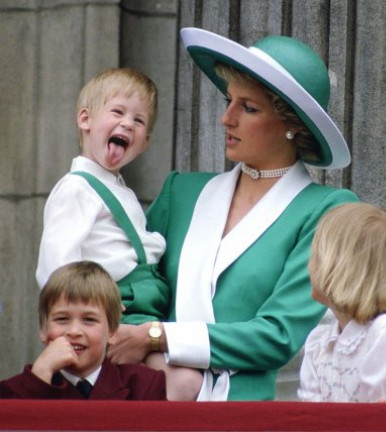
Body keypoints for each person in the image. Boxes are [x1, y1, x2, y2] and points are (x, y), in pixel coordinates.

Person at [107, 27, 359, 401]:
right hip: (150, 398)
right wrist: (151, 355)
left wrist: (158, 338)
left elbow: (278, 335)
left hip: (244, 413)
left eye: (248, 107)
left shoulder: (326, 210)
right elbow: (135, 291)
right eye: (229, 100)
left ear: (292, 124)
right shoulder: (182, 191)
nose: (226, 118)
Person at [34, 67, 202, 401]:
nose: (128, 123)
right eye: (118, 112)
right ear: (86, 119)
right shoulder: (76, 188)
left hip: (145, 313)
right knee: (183, 383)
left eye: (139, 121)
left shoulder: (119, 189)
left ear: (146, 142)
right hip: (117, 313)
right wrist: (80, 325)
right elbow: (55, 268)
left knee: (184, 380)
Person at [297, 202, 386, 403]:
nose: (308, 264)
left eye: (316, 255)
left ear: (342, 267)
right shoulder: (319, 344)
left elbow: (383, 421)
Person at [0, 261, 166, 400]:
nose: (74, 331)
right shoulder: (11, 392)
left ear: (112, 332)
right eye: (62, 319)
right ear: (43, 330)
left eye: (89, 320)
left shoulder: (144, 386)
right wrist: (40, 375)